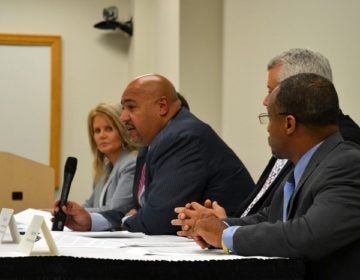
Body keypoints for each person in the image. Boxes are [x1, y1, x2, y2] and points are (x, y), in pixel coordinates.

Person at [179, 73, 360, 279]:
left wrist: (223, 235)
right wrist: (218, 225)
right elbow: (269, 217)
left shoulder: (347, 164)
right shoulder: (309, 163)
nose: (268, 129)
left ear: (289, 124)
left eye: (268, 117)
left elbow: (308, 235)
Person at [172, 48, 360, 227]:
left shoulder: (343, 146)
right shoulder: (293, 141)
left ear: (302, 89)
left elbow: (305, 230)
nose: (266, 101)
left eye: (273, 91)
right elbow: (271, 213)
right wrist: (224, 225)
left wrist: (227, 232)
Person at [54, 74, 255, 234]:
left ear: (162, 107)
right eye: (123, 108)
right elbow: (137, 210)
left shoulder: (183, 136)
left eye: (131, 107)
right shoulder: (149, 143)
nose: (123, 117)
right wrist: (90, 221)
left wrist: (129, 219)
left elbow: (158, 220)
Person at [82, 102, 138, 214]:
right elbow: (90, 204)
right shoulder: (103, 169)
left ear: (123, 131)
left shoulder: (131, 163)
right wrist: (64, 210)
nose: (102, 135)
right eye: (97, 131)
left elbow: (115, 211)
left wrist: (70, 215)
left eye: (109, 129)